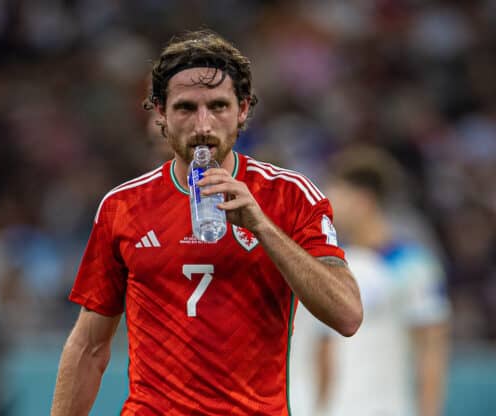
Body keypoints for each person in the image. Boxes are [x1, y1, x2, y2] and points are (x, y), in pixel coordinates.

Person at [51, 29, 363, 415]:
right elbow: (89, 347)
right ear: (160, 113)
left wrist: (262, 227)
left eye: (218, 106)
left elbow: (347, 315)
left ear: (243, 109)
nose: (202, 125)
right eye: (185, 108)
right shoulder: (123, 207)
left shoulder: (291, 196)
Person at [291, 147, 450, 416]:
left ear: (362, 200)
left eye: (336, 194)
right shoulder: (327, 265)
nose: (327, 205)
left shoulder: (412, 265)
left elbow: (432, 351)